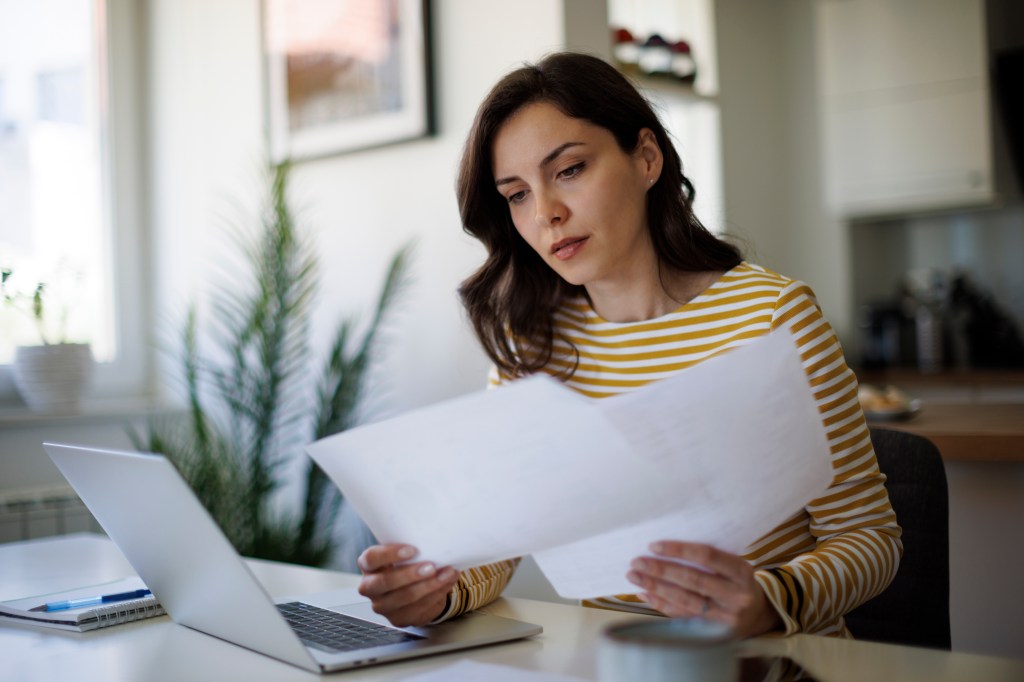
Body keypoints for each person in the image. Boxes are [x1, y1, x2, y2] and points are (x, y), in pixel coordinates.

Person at [356, 52, 902, 639]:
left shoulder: (772, 315)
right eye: (516, 194)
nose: (547, 213)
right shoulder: (531, 344)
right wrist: (435, 594)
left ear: (646, 158)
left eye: (569, 170)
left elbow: (870, 538)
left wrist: (770, 599)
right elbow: (497, 545)